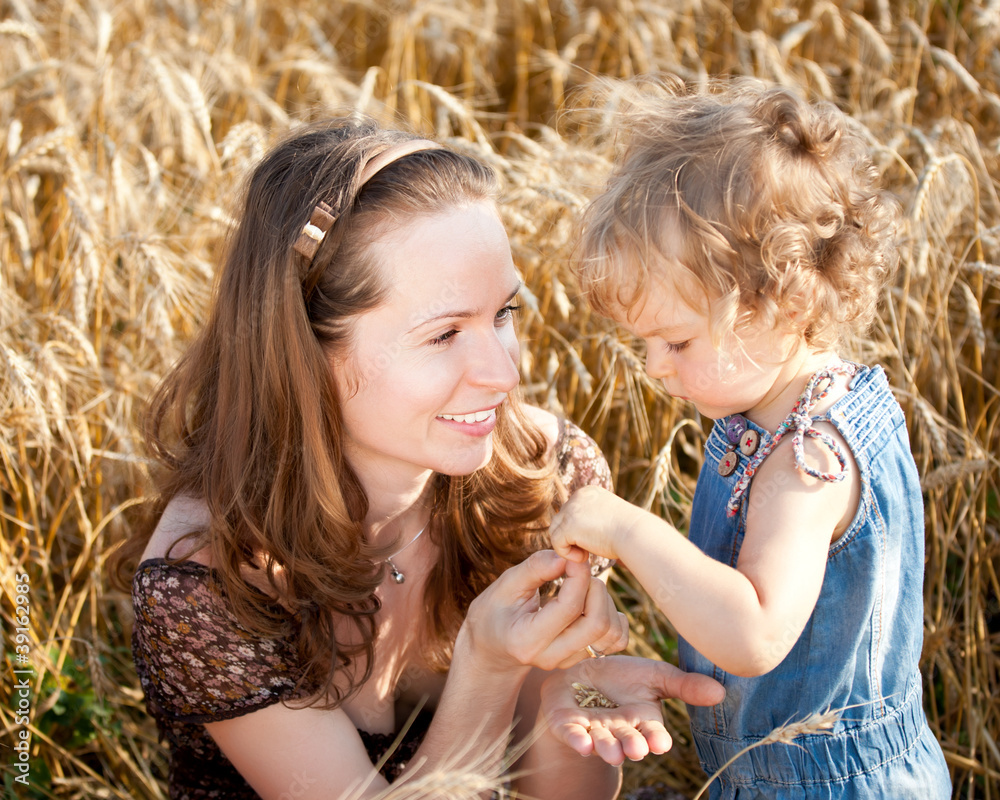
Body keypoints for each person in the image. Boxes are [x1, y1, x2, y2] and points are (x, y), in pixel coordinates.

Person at [111, 118, 724, 800]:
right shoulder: (210, 578)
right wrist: (488, 666)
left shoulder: (548, 481)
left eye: (503, 314)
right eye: (444, 335)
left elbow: (560, 790)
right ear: (304, 350)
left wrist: (570, 705)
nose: (501, 372)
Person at [546, 79, 952, 798]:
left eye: (674, 340)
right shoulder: (782, 415)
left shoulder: (807, 464)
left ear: (785, 302)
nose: (653, 368)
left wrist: (628, 531)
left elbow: (755, 634)